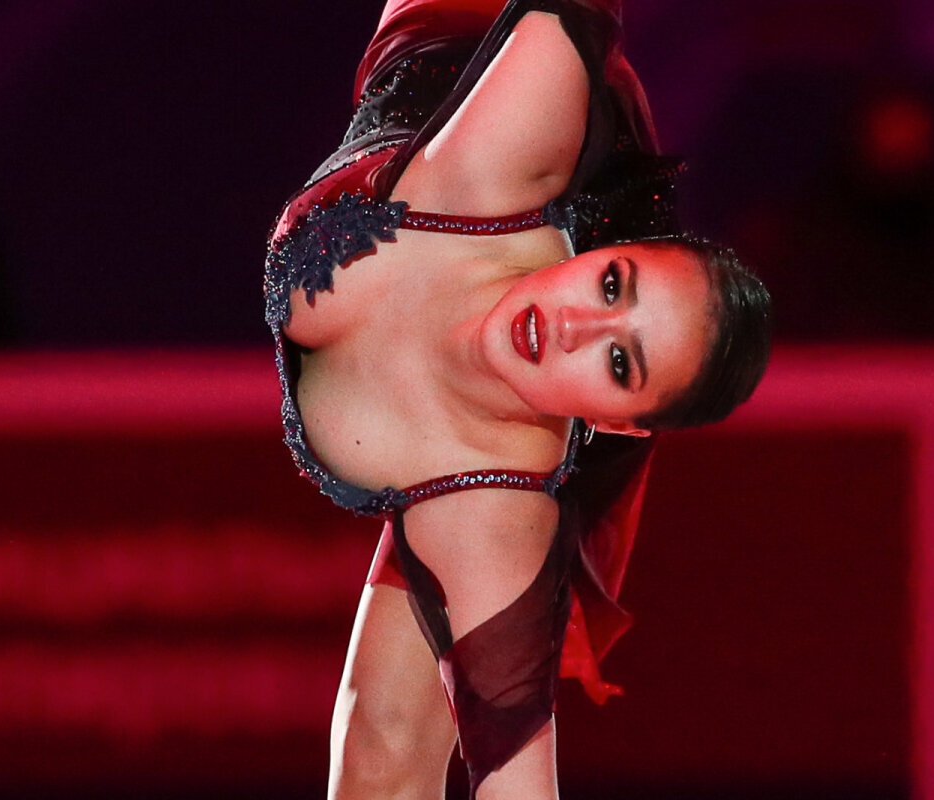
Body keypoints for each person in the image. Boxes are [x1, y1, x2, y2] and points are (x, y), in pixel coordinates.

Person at [262, 1, 772, 798]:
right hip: (451, 31)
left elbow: (517, 781)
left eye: (618, 360)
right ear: (602, 254)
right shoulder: (499, 161)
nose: (576, 323)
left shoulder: (492, 519)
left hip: (484, 454)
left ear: (608, 422)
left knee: (384, 754)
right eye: (611, 284)